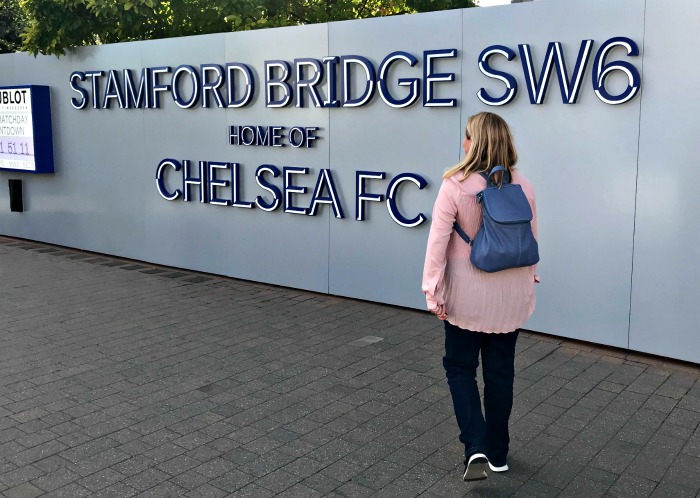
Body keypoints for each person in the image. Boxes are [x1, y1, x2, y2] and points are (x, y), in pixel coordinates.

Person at [422, 112, 539, 481]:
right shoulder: (523, 185)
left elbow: (437, 242)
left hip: (467, 297)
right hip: (511, 295)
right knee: (500, 373)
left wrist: (432, 289)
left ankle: (476, 447)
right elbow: (530, 240)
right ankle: (499, 452)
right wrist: (531, 278)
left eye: (467, 136)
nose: (464, 143)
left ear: (477, 142)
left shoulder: (455, 185)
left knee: (459, 368)